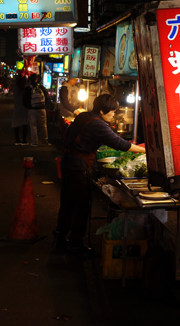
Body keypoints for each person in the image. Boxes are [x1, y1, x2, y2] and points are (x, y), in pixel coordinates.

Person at [53, 93, 145, 255]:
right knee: (81, 206)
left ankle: (59, 237)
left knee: (67, 203)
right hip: (78, 167)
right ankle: (75, 245)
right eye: (111, 112)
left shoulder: (84, 116)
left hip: (68, 163)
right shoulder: (98, 124)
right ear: (102, 111)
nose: (114, 115)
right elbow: (119, 143)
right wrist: (144, 151)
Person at [23, 73, 51, 146]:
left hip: (31, 109)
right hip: (42, 109)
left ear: (30, 80)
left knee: (33, 126)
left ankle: (35, 142)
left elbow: (24, 100)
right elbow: (47, 97)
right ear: (37, 79)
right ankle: (45, 141)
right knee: (43, 125)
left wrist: (28, 106)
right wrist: (44, 105)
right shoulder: (41, 87)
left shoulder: (28, 88)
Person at [11, 75, 29, 145]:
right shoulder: (26, 88)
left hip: (17, 107)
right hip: (24, 107)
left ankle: (17, 140)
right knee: (25, 124)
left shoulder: (15, 87)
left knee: (16, 124)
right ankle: (24, 140)